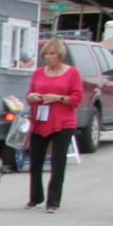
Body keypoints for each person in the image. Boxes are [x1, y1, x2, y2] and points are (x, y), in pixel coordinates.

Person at [24, 39, 82, 212]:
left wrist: (58, 98)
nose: (48, 58)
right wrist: (32, 97)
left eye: (52, 54)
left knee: (58, 162)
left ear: (60, 55)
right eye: (46, 54)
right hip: (40, 120)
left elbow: (77, 98)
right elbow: (29, 93)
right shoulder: (39, 73)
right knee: (35, 161)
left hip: (63, 122)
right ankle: (35, 197)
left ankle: (53, 202)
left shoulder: (72, 73)